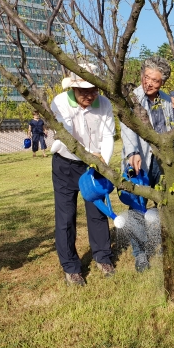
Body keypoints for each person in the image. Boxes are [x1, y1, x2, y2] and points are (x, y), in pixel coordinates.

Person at [50, 65, 116, 286]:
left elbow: (107, 136)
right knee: (66, 217)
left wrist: (101, 161)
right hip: (65, 165)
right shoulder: (59, 103)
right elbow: (65, 137)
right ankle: (71, 267)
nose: (90, 96)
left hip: (94, 166)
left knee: (98, 212)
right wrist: (89, 155)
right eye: (84, 91)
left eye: (94, 90)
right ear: (73, 89)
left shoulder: (104, 104)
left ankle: (103, 257)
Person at [121, 56, 174, 272]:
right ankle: (140, 253)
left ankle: (161, 245)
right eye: (147, 78)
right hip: (139, 159)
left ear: (162, 82)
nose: (149, 83)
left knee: (162, 205)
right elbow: (127, 129)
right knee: (136, 206)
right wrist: (132, 152)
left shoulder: (164, 100)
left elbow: (170, 129)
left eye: (155, 80)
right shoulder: (132, 98)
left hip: (160, 160)